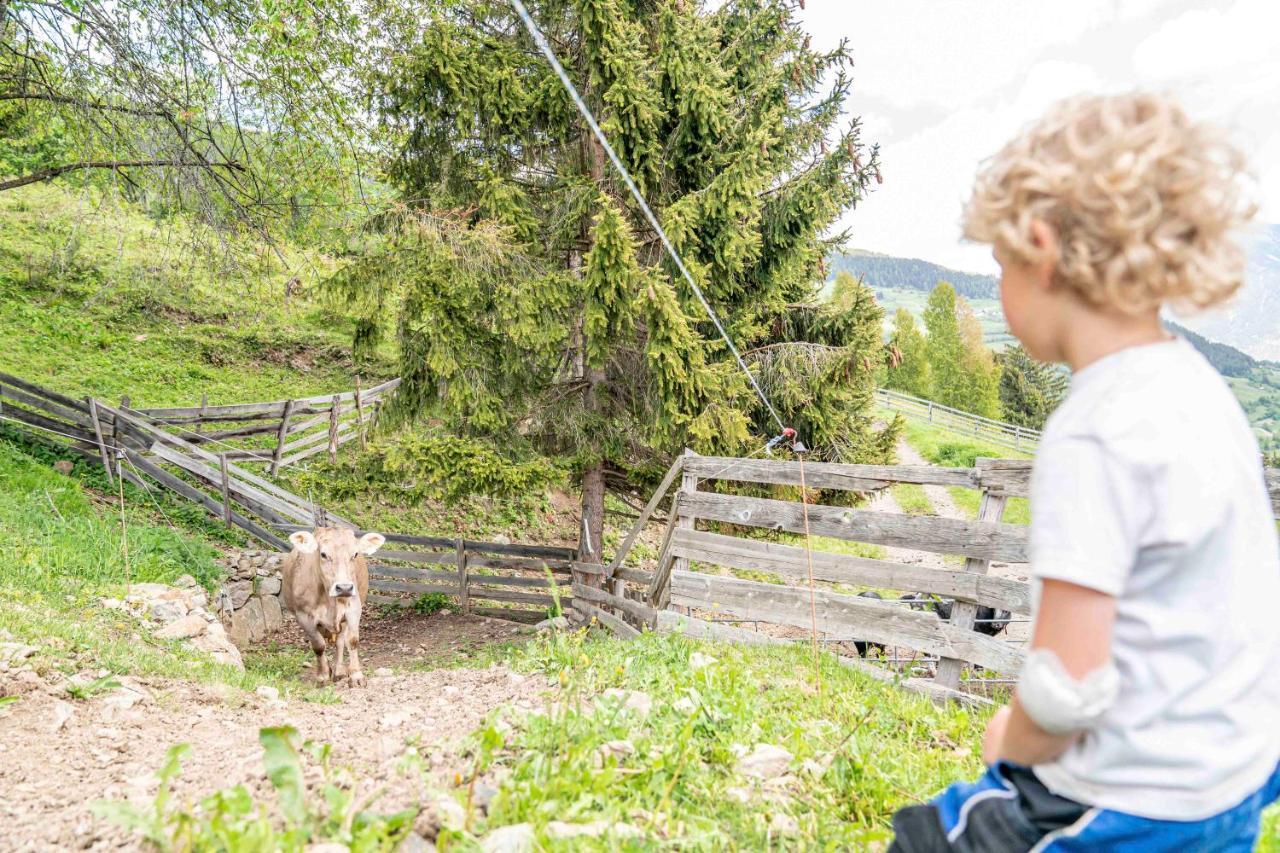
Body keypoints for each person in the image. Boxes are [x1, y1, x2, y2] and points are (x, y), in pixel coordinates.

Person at [889, 92, 1280, 851]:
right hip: (1234, 774)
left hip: (1131, 793)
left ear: (1038, 247)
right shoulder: (1198, 388)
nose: (998, 288)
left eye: (999, 265)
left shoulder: (1093, 429)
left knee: (925, 841)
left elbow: (1068, 687)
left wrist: (1010, 733)